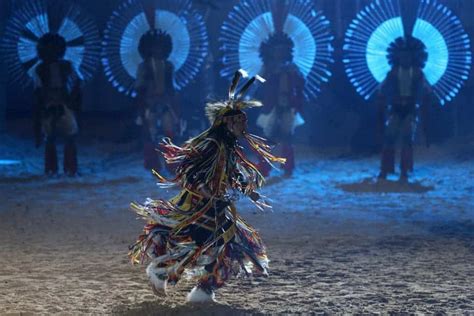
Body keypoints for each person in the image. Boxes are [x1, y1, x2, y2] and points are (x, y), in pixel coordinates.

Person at [129, 70, 285, 302]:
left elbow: (230, 172)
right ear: (226, 122)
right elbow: (189, 169)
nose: (243, 124)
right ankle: (164, 273)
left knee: (227, 247)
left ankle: (202, 291)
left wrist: (247, 189)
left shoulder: (229, 145)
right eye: (238, 120)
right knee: (204, 243)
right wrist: (204, 189)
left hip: (217, 206)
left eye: (244, 119)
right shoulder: (211, 143)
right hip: (199, 206)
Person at [377, 36, 430, 181]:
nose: (404, 58)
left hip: (410, 109)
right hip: (396, 108)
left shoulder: (418, 74)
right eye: (402, 55)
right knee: (390, 137)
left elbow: (422, 92)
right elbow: (385, 90)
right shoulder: (393, 73)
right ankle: (386, 169)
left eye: (407, 55)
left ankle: (403, 170)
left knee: (406, 139)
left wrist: (413, 102)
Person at [256, 31, 305, 177]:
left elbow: (301, 84)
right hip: (270, 105)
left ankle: (288, 167)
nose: (279, 52)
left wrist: (292, 74)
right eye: (277, 50)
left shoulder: (292, 67)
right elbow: (259, 83)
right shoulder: (268, 67)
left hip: (287, 105)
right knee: (265, 137)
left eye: (282, 50)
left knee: (287, 137)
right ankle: (264, 168)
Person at [33, 33, 82, 176]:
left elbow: (78, 82)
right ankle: (55, 169)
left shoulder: (65, 66)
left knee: (68, 135)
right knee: (52, 136)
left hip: (63, 103)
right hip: (51, 105)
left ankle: (67, 169)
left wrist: (71, 100)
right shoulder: (40, 69)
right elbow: (38, 91)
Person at [135, 29, 179, 171]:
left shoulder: (168, 66)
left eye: (160, 46)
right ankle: (152, 165)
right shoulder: (144, 66)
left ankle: (171, 164)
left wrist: (174, 105)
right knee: (150, 133)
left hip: (165, 102)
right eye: (155, 46)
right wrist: (144, 105)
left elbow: (171, 87)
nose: (158, 49)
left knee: (169, 132)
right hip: (149, 103)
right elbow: (139, 88)